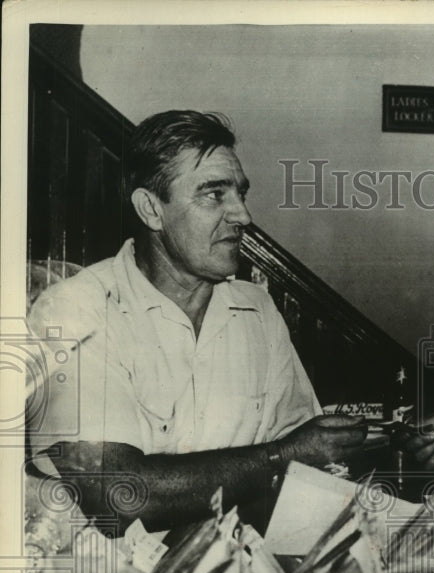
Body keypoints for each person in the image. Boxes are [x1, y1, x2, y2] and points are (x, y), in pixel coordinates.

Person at [27, 110, 366, 532]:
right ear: (151, 210)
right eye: (213, 194)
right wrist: (282, 455)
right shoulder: (76, 310)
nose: (242, 215)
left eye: (240, 194)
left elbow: (308, 468)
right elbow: (117, 495)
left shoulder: (256, 309)